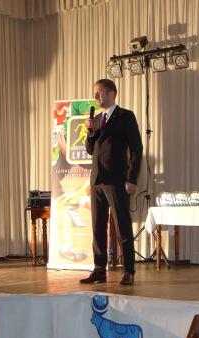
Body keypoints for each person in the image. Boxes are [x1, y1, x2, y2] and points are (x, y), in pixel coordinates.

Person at [80, 79, 143, 286]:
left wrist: (131, 178)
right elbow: (90, 150)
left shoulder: (125, 116)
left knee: (122, 225)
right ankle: (99, 270)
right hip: (97, 180)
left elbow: (137, 149)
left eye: (98, 92)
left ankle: (129, 271)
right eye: (95, 93)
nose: (95, 97)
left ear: (110, 93)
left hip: (117, 180)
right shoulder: (97, 119)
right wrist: (90, 132)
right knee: (98, 227)